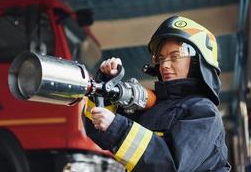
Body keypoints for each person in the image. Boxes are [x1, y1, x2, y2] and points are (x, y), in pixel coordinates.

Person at [82, 16, 231, 171]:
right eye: (161, 58)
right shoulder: (153, 106)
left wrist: (119, 129)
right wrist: (105, 87)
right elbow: (98, 131)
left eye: (175, 56)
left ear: (196, 62)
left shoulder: (204, 112)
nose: (165, 65)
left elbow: (171, 165)